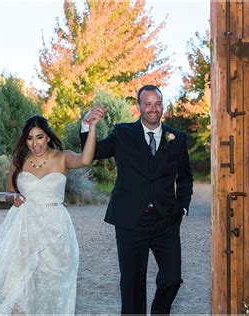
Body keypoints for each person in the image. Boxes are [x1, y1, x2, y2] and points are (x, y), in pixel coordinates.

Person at [80, 85, 193, 315]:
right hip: (130, 220)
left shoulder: (178, 138)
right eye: (148, 104)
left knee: (172, 279)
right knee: (132, 284)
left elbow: (185, 178)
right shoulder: (122, 133)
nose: (153, 109)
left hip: (166, 220)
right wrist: (88, 126)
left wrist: (181, 208)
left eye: (158, 103)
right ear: (139, 106)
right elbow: (94, 153)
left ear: (163, 105)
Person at [0, 114, 103, 314]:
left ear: (47, 137)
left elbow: (86, 159)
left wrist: (92, 127)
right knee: (18, 285)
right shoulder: (18, 160)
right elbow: (9, 192)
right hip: (23, 228)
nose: (35, 143)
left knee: (52, 284)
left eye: (39, 137)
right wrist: (14, 198)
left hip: (55, 229)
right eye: (30, 138)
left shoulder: (63, 157)